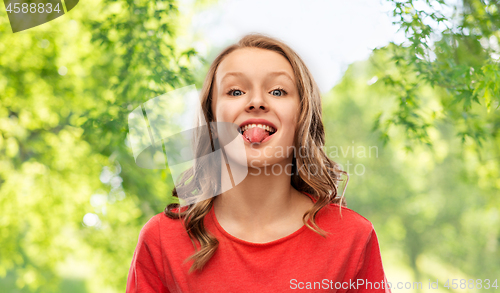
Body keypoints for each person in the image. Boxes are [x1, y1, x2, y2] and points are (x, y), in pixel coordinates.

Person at [126, 33, 391, 292]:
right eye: (236, 91)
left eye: (277, 91)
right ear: (212, 120)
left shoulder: (353, 236)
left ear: (302, 117)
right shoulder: (161, 239)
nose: (256, 102)